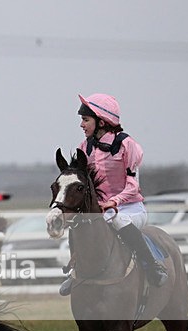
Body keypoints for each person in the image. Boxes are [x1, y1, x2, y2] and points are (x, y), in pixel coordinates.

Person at [60, 93, 168, 296]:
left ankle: (151, 265)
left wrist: (113, 202)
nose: (81, 125)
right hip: (101, 209)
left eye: (85, 120)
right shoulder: (84, 147)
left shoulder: (128, 145)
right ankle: (75, 270)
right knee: (78, 224)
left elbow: (133, 186)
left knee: (115, 219)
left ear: (101, 121)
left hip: (131, 208)